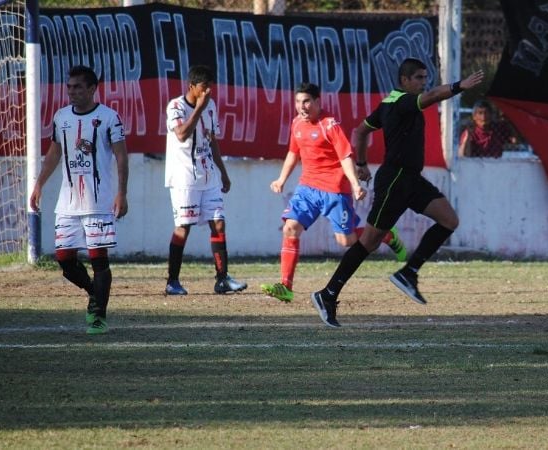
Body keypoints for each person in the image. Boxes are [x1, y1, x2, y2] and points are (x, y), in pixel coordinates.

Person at [310, 58, 484, 327]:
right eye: (418, 78)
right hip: (395, 180)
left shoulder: (388, 102)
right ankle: (328, 294)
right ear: (404, 80)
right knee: (369, 241)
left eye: (425, 77)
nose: (423, 82)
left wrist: (362, 163)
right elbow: (432, 96)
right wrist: (460, 85)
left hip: (411, 179)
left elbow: (361, 131)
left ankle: (409, 272)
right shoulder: (402, 101)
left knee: (449, 220)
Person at [259, 83, 407, 303]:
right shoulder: (297, 123)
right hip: (307, 188)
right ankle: (286, 286)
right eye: (298, 102)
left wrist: (355, 184)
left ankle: (385, 234)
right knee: (290, 228)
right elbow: (293, 152)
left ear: (318, 102)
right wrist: (281, 179)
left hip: (334, 189)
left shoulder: (330, 125)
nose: (302, 106)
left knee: (346, 241)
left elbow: (345, 156)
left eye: (306, 101)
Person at [29, 65, 129, 335]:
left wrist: (122, 192)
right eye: (69, 87)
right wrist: (38, 184)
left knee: (99, 259)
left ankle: (98, 316)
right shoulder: (61, 117)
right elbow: (54, 153)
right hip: (68, 203)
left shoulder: (109, 118)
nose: (71, 92)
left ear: (92, 89)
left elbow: (121, 156)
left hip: (99, 203)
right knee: (64, 259)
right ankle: (94, 292)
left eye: (77, 87)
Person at [163, 65, 247, 295]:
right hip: (184, 177)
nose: (208, 91)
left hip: (208, 175)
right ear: (191, 86)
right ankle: (172, 282)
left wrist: (223, 172)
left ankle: (222, 279)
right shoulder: (176, 106)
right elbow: (181, 134)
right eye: (204, 86)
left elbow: (213, 141)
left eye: (210, 86)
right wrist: (199, 108)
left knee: (218, 222)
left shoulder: (210, 106)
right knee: (184, 227)